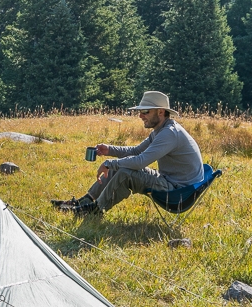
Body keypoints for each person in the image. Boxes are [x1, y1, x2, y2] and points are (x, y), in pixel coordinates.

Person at [55, 91, 204, 216]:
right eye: (140, 112)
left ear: (161, 112)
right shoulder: (161, 130)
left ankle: (95, 211)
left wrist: (108, 164)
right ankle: (85, 202)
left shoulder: (169, 134)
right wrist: (109, 150)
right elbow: (135, 151)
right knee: (122, 165)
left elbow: (140, 161)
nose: (140, 116)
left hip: (179, 192)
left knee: (125, 171)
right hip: (171, 183)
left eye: (145, 111)